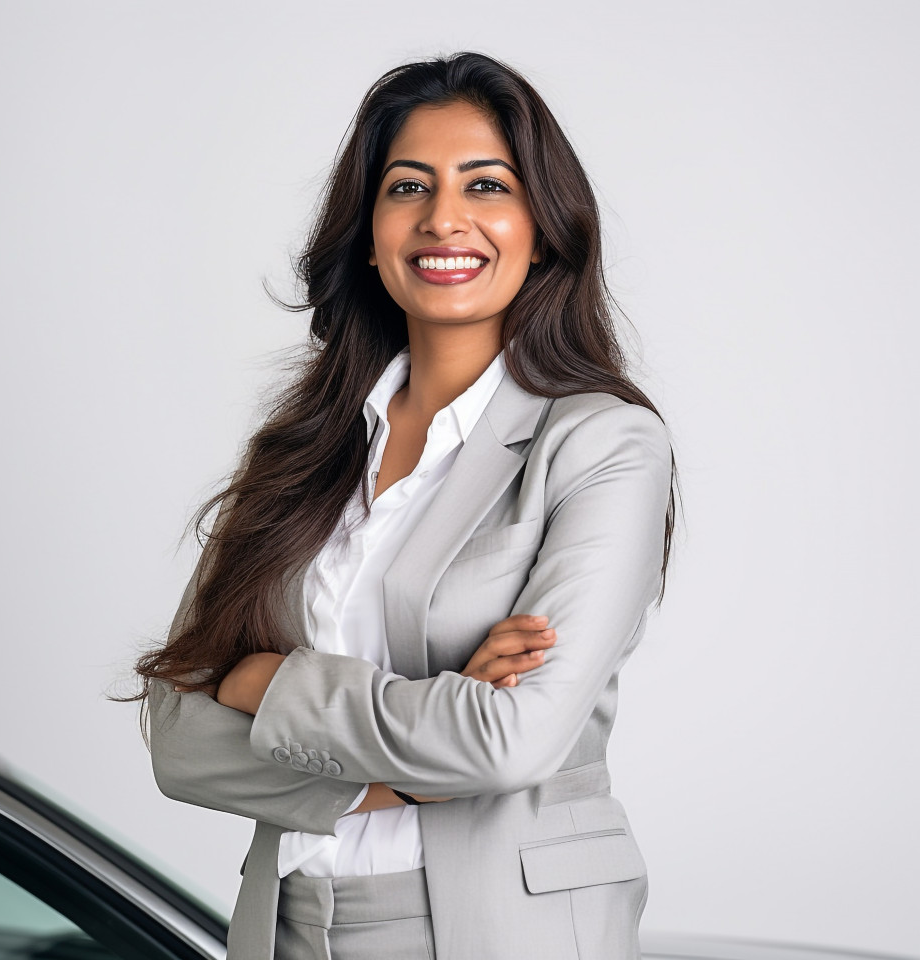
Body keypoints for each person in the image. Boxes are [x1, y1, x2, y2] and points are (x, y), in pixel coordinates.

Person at [133, 50, 680, 960]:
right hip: (289, 927)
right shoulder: (300, 450)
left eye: (487, 184)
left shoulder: (602, 444)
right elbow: (179, 740)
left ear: (542, 227)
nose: (444, 219)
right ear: (370, 228)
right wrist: (414, 765)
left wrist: (266, 682)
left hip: (505, 929)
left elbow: (509, 741)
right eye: (407, 187)